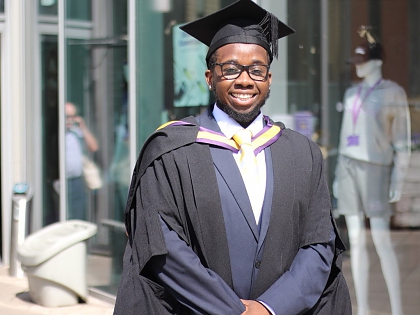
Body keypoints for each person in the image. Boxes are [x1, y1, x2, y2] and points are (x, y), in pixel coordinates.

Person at [114, 1, 352, 314]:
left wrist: (269, 307)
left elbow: (319, 243)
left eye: (257, 69)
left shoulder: (302, 153)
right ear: (209, 77)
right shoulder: (169, 151)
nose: (244, 80)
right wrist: (234, 310)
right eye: (230, 69)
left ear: (268, 79)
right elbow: (161, 247)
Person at [333, 34, 411, 315]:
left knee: (381, 239)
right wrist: (338, 177)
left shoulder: (393, 93)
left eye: (362, 61)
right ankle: (363, 308)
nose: (357, 66)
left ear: (377, 62)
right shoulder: (351, 93)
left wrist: (398, 178)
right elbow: (345, 136)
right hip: (349, 167)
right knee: (356, 240)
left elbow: (402, 142)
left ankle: (398, 308)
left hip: (376, 168)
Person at [65, 102, 99, 220]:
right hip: (62, 181)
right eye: (67, 117)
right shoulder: (58, 133)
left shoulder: (77, 132)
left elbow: (93, 147)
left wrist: (83, 128)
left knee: (77, 216)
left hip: (77, 181)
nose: (70, 120)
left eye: (72, 116)